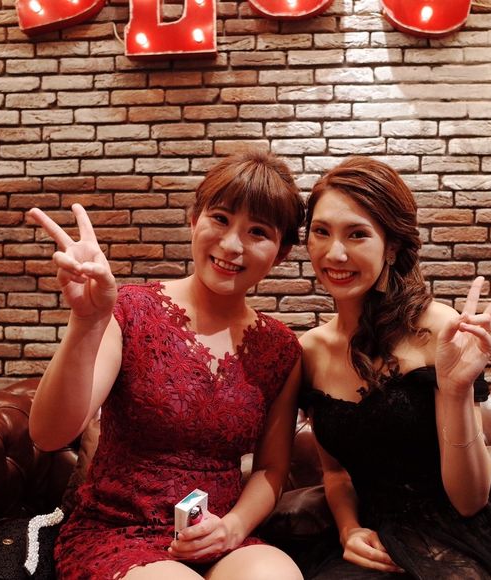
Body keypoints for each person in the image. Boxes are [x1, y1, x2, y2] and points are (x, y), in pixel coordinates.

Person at [28, 151, 306, 580]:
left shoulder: (281, 348)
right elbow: (49, 434)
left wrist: (232, 528)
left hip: (217, 534)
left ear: (282, 252)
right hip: (117, 531)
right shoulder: (129, 310)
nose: (232, 245)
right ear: (194, 220)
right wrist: (86, 322)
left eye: (257, 232)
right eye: (220, 219)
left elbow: (271, 468)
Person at [299, 156, 491, 579]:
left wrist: (457, 391)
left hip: (465, 533)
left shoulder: (440, 330)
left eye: (357, 234)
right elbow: (335, 473)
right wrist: (349, 530)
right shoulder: (309, 350)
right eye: (321, 231)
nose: (335, 252)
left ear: (391, 246)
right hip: (376, 537)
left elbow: (470, 500)